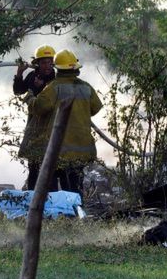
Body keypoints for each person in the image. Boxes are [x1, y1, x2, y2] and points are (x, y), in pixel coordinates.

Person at [25, 49, 103, 196]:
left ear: (57, 68)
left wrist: (29, 97)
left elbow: (39, 108)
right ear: (76, 68)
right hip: (82, 150)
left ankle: (54, 215)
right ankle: (76, 212)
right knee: (74, 187)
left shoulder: (54, 87)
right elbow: (95, 108)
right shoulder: (86, 88)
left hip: (59, 150)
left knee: (52, 189)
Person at [15, 44, 57, 190]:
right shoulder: (33, 75)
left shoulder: (56, 77)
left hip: (52, 124)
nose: (47, 65)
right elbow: (19, 91)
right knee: (33, 163)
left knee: (51, 163)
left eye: (50, 62)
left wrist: (40, 87)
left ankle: (51, 196)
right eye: (44, 62)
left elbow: (48, 100)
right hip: (35, 124)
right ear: (37, 63)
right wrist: (19, 74)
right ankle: (32, 196)